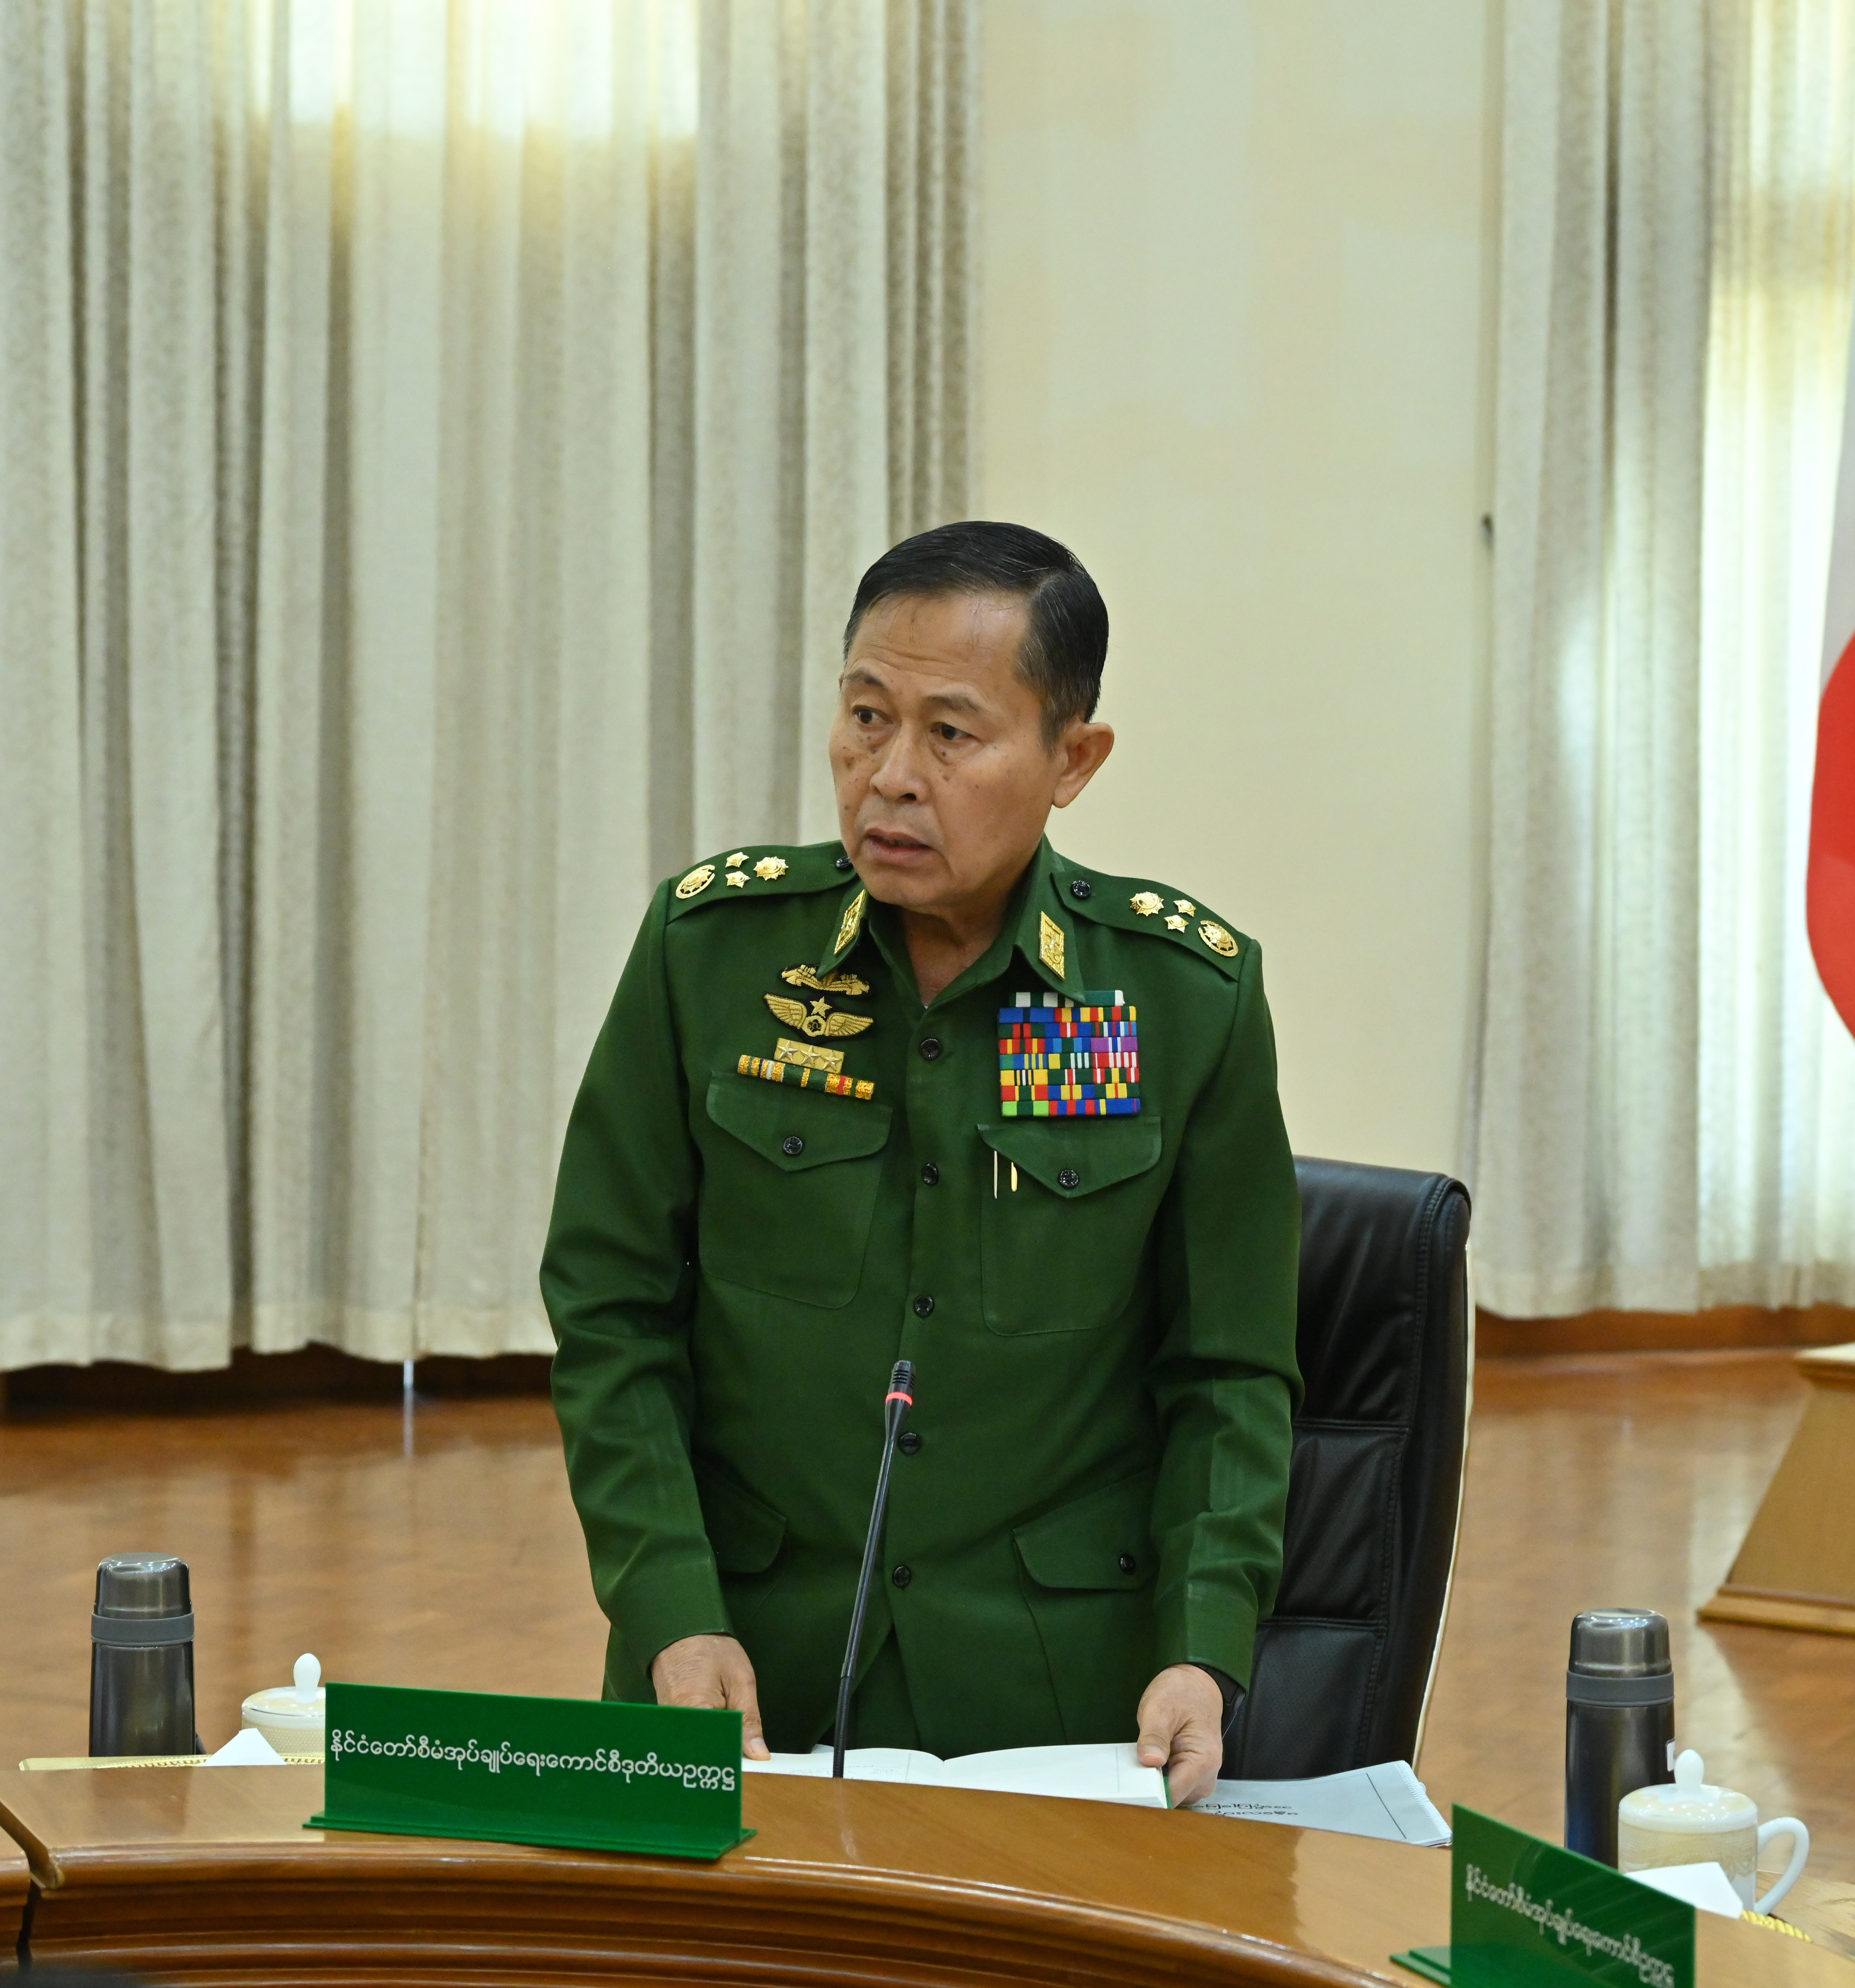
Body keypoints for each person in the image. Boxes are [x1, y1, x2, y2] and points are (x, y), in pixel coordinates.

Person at [542, 521, 1300, 1805]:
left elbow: (1227, 1373)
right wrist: (669, 1605)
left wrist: (1202, 1648)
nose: (889, 777)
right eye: (865, 718)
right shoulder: (711, 952)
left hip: (1057, 1700)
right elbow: (611, 1312)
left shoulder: (1177, 998)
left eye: (951, 734)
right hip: (736, 1665)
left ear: (1073, 760)